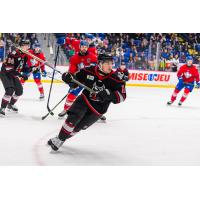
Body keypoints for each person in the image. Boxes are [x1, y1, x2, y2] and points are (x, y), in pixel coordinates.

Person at [47, 54, 127, 151]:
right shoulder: (88, 70)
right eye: (107, 63)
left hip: (98, 109)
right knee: (73, 117)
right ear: (100, 64)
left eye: (111, 63)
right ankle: (59, 139)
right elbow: (75, 81)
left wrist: (108, 94)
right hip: (84, 100)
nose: (110, 66)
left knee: (78, 127)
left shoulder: (115, 79)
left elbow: (122, 96)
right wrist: (69, 79)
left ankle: (60, 138)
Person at [58, 40, 98, 118]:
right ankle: (66, 109)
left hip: (90, 80)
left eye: (86, 47)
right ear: (80, 47)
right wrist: (71, 80)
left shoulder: (93, 57)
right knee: (72, 94)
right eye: (83, 47)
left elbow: (96, 69)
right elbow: (72, 71)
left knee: (93, 96)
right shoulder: (74, 58)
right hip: (79, 79)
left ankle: (96, 112)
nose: (84, 48)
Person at [0, 40, 30, 116]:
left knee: (19, 91)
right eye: (25, 45)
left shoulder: (25, 55)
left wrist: (30, 69)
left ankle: (10, 104)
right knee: (10, 90)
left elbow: (22, 67)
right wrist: (21, 75)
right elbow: (9, 68)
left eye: (28, 45)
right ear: (21, 46)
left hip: (13, 73)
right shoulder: (14, 54)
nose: (27, 47)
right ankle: (2, 108)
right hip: (6, 73)